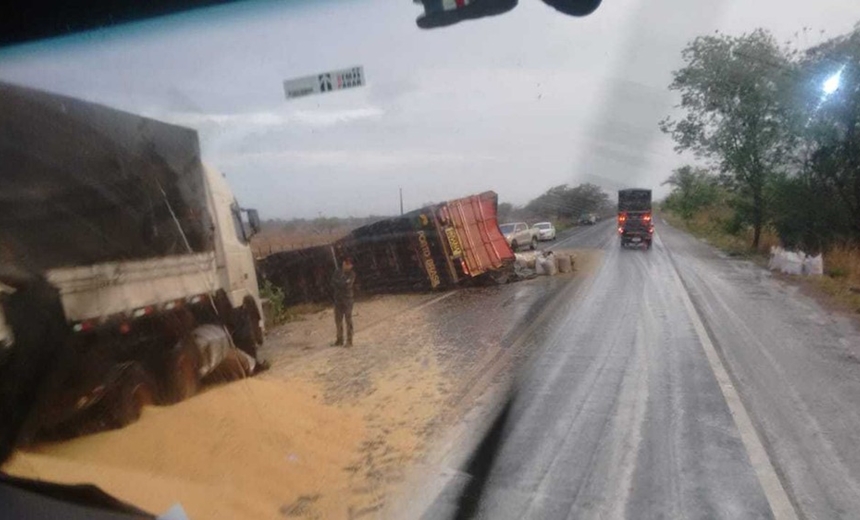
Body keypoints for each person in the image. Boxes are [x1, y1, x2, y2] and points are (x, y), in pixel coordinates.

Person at [330, 257, 356, 347]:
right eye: (345, 263)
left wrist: (340, 283)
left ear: (351, 266)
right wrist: (342, 283)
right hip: (338, 300)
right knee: (338, 321)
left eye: (348, 264)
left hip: (347, 300)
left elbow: (348, 285)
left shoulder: (352, 274)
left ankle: (349, 340)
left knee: (348, 320)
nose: (346, 265)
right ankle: (339, 339)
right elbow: (333, 283)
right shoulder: (337, 272)